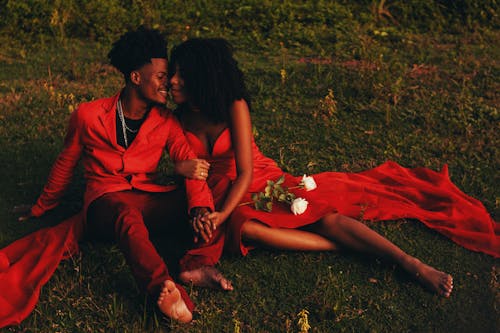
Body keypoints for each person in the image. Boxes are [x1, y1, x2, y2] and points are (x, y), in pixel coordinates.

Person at [168, 38, 499, 298]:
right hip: (218, 189)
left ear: (203, 77)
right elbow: (170, 159)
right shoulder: (175, 116)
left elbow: (246, 173)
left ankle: (408, 262)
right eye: (173, 72)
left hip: (256, 178)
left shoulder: (232, 105)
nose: (172, 80)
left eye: (182, 74)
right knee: (247, 229)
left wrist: (221, 215)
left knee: (319, 216)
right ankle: (344, 246)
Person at [1, 27, 215, 327]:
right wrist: (42, 206)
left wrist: (199, 209)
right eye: (161, 76)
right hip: (105, 203)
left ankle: (199, 262)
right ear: (135, 77)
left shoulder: (167, 121)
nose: (169, 83)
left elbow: (191, 165)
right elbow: (66, 163)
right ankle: (164, 289)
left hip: (148, 197)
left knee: (206, 201)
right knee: (126, 216)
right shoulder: (88, 115)